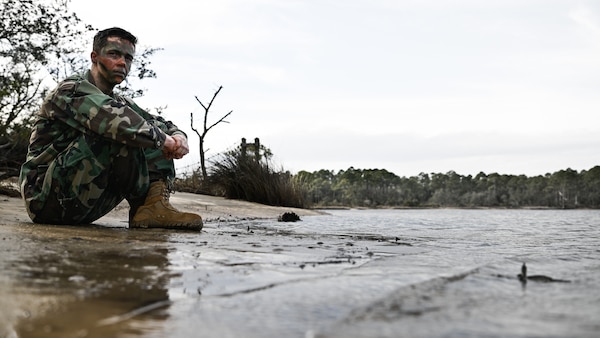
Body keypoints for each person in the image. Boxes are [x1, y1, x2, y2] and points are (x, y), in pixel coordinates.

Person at [18, 27, 203, 230]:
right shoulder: (70, 90)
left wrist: (178, 136)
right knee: (123, 131)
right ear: (95, 57)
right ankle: (149, 207)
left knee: (144, 131)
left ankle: (151, 209)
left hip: (87, 201)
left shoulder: (120, 103)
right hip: (46, 200)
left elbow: (158, 123)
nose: (122, 62)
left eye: (128, 58)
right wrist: (164, 141)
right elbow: (117, 122)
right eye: (114, 54)